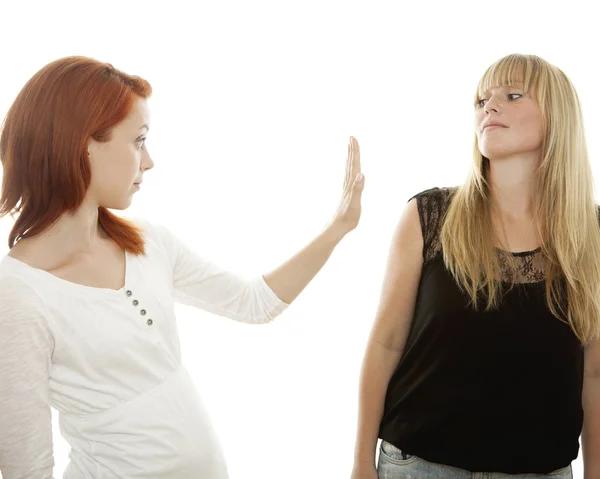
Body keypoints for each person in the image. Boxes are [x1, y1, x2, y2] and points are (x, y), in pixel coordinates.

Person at [0, 56, 365, 479]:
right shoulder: (18, 294)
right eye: (139, 140)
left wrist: (337, 229)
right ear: (85, 143)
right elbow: (26, 469)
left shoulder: (148, 243)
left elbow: (255, 303)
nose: (149, 160)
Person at [351, 53, 600, 479]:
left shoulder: (591, 233)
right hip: (417, 467)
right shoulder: (428, 216)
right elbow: (385, 344)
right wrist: (359, 465)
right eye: (482, 99)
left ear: (557, 115)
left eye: (513, 94)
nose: (489, 106)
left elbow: (594, 371)